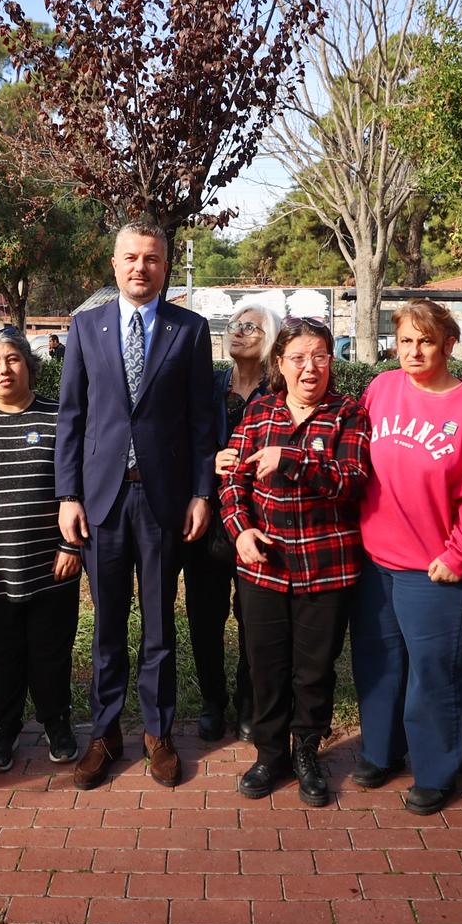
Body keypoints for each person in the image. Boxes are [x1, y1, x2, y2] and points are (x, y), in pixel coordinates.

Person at [56, 220, 214, 790]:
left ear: (165, 265)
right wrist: (67, 495)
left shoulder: (190, 330)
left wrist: (202, 492)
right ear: (114, 262)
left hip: (163, 499)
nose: (140, 268)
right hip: (100, 499)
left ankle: (157, 732)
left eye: (151, 258)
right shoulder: (84, 327)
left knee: (157, 626)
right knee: (106, 626)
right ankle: (104, 732)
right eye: (130, 257)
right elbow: (71, 418)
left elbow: (203, 421)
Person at [351, 299, 462, 816]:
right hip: (376, 559)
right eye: (406, 341)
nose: (413, 352)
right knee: (380, 663)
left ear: (448, 345)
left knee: (433, 672)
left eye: (425, 342)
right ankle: (380, 751)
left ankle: (436, 769)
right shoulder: (381, 389)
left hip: (435, 567)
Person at [219, 317, 369, 805]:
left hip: (327, 566)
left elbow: (351, 479)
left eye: (320, 356)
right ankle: (269, 755)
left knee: (313, 668)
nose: (310, 368)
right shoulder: (260, 412)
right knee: (266, 665)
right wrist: (241, 533)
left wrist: (292, 458)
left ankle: (306, 750)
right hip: (264, 566)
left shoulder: (348, 413)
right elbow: (233, 482)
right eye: (299, 358)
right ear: (279, 364)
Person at [0, 332, 82, 773]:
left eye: (12, 360)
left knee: (51, 651)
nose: (3, 370)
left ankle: (56, 722)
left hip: (53, 565)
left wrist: (70, 545)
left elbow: (76, 487)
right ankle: (3, 728)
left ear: (29, 364)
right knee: (2, 653)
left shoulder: (60, 418)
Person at [184, 304, 278, 742]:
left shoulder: (277, 391)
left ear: (270, 338)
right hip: (208, 518)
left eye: (250, 327)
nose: (237, 332)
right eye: (234, 324)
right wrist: (208, 460)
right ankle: (212, 701)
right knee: (205, 615)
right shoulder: (209, 385)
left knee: (253, 616)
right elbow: (183, 438)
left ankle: (248, 701)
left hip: (258, 519)